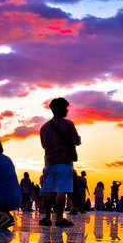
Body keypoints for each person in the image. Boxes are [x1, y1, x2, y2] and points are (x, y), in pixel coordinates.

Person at [39, 97, 80, 227]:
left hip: (49, 162)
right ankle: (59, 219)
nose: (67, 110)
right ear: (62, 109)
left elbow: (44, 145)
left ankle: (46, 218)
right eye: (66, 108)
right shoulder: (68, 124)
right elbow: (76, 141)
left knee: (49, 190)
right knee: (62, 190)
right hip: (64, 161)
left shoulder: (44, 127)